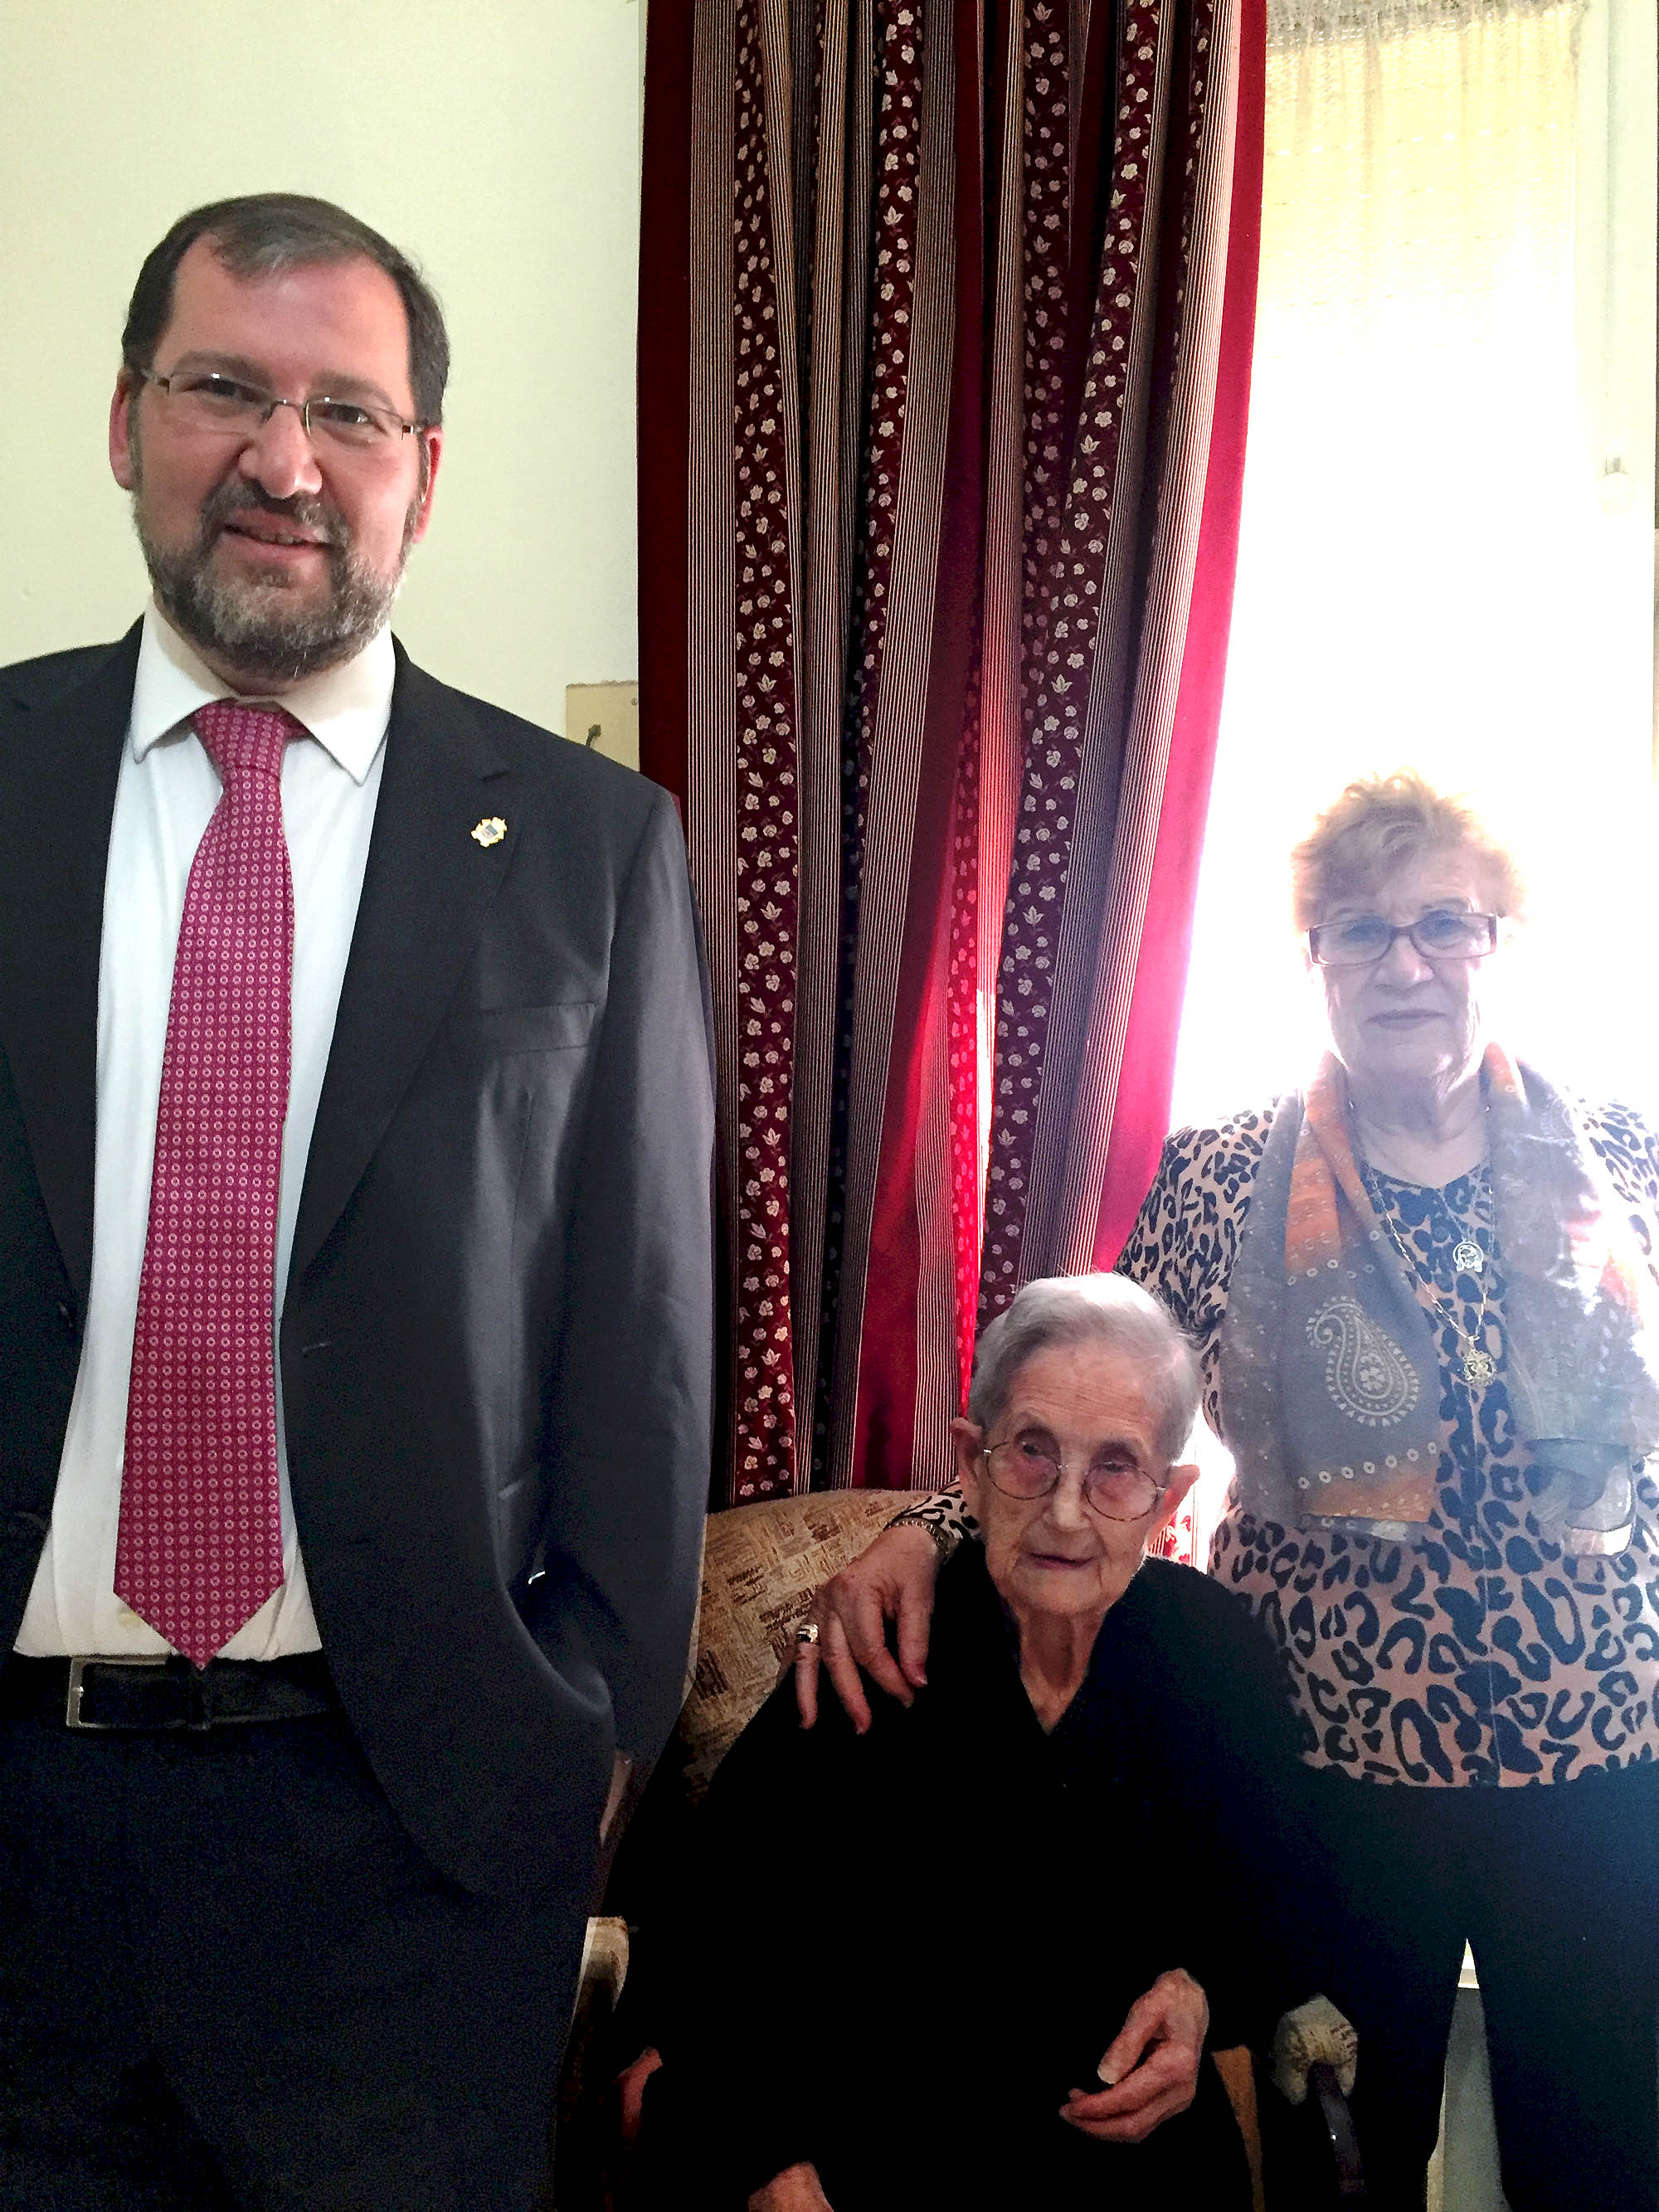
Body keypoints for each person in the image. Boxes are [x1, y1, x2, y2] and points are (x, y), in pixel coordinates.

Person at [0, 193, 713, 2212]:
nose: (283, 459)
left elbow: (645, 1348)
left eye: (348, 413)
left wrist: (580, 1735)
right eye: (222, 388)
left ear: (424, 467)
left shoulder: (585, 846)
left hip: (408, 1845)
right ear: (124, 419)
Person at [797, 773, 1659, 2212]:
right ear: (1315, 956)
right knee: (1341, 2158)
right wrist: (926, 1524)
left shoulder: (1626, 1156)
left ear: (1497, 941)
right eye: (1361, 928)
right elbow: (1092, 1397)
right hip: (1333, 1761)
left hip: (1605, 1748)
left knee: (1611, 2160)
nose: (1405, 961)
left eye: (1444, 923)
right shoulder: (1222, 1176)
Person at [628, 1274, 1326, 2210]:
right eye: (1032, 1451)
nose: (1067, 1512)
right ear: (970, 1463)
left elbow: (1279, 1908)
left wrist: (1205, 1995)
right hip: (882, 2166)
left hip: (1133, 2174)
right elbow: (707, 1952)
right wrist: (770, 2163)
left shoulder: (1214, 1650)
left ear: (1167, 1498)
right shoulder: (873, 1653)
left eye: (1116, 1465)